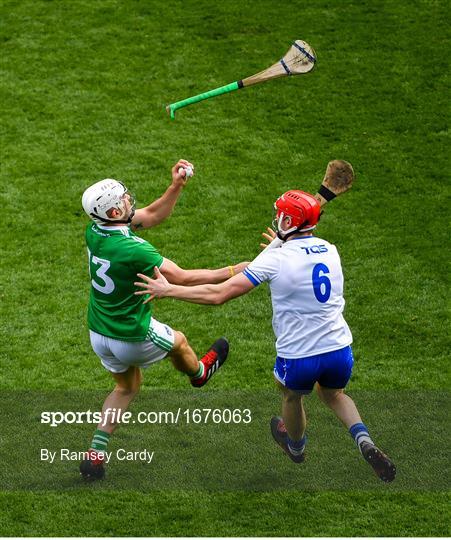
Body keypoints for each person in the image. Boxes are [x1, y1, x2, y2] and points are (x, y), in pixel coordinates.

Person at [135, 189, 396, 483]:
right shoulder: (330, 249)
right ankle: (364, 441)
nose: (277, 218)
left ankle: (295, 447)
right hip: (339, 348)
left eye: (281, 215)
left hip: (299, 356)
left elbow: (220, 294)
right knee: (334, 394)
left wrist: (170, 290)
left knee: (291, 395)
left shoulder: (276, 261)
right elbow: (297, 257)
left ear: (289, 221)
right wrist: (277, 245)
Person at [80, 159, 247, 480]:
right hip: (131, 334)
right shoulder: (135, 251)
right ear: (115, 212)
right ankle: (200, 372)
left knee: (126, 389)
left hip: (98, 332)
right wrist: (235, 269)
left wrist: (176, 186)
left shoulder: (95, 229)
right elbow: (184, 278)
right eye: (124, 199)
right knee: (180, 341)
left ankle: (96, 454)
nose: (130, 199)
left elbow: (154, 215)